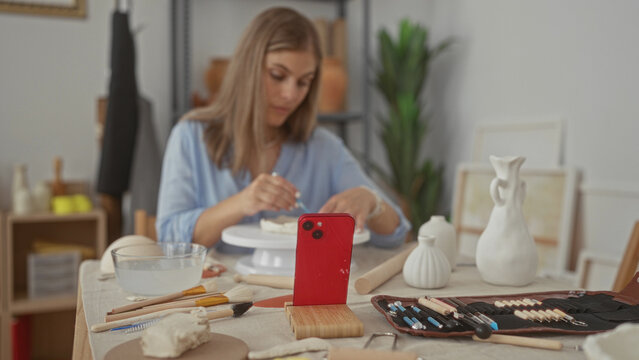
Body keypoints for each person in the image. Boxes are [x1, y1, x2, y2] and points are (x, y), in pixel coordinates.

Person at [156, 7, 410, 251]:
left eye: (304, 82)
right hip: (219, 293)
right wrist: (242, 203)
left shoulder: (322, 147)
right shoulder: (190, 136)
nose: (290, 95)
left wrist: (371, 200)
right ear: (248, 69)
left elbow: (396, 235)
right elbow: (169, 240)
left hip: (299, 292)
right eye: (278, 75)